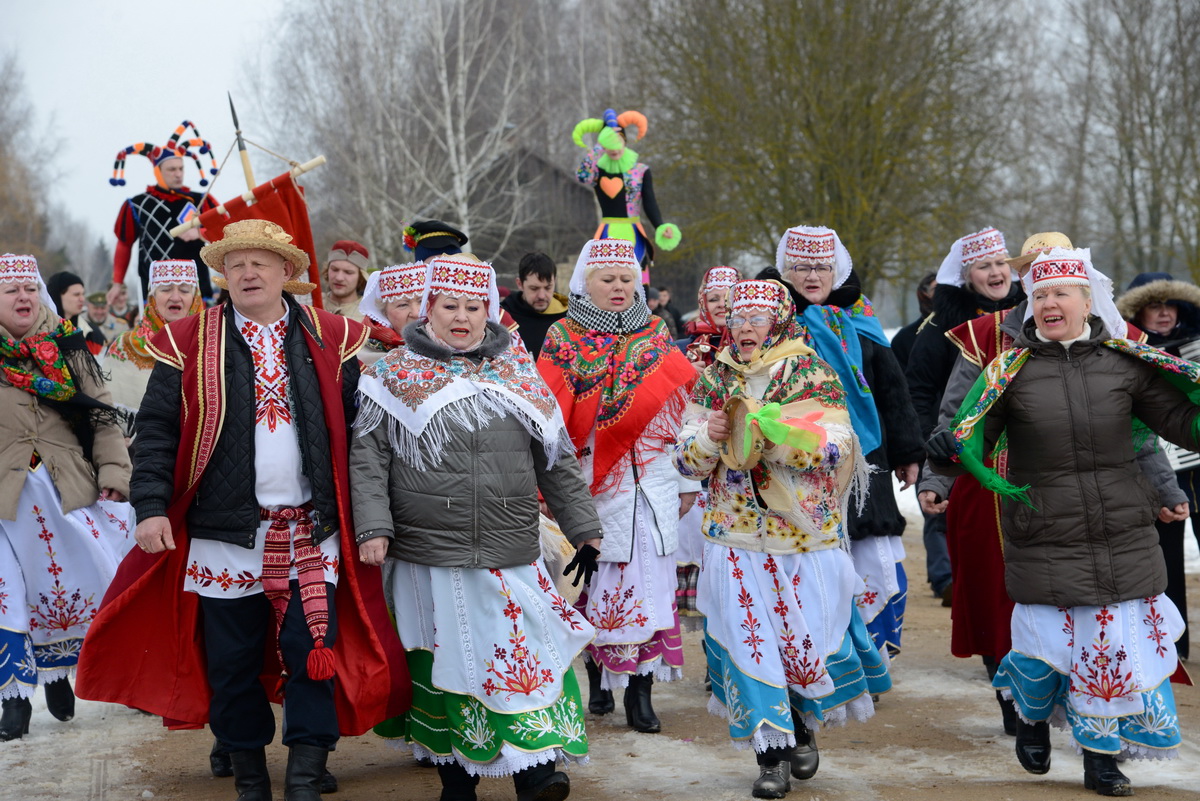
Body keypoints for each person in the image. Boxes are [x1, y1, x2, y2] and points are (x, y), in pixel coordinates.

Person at [75, 220, 408, 801]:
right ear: (223, 276)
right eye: (236, 265)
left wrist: (375, 516)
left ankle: (306, 772)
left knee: (313, 656)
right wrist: (150, 508)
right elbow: (155, 432)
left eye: (261, 262)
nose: (248, 273)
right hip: (224, 535)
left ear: (287, 273)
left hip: (312, 528)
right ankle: (249, 774)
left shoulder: (333, 336)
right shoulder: (187, 340)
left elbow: (364, 437)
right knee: (232, 664)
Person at [928, 247, 1200, 797]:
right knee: (1047, 649)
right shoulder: (1008, 370)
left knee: (1109, 651)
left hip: (1120, 529)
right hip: (1044, 529)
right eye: (1040, 295)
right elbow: (970, 433)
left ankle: (1101, 759)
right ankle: (1030, 716)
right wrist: (944, 456)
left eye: (1061, 293)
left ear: (1086, 301)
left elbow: (1178, 422)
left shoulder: (1125, 362)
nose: (1049, 303)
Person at [352, 254, 602, 801]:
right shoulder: (391, 375)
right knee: (449, 662)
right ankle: (456, 780)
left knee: (520, 649)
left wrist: (585, 527)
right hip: (427, 552)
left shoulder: (517, 368)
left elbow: (555, 461)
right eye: (450, 306)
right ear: (428, 309)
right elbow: (367, 461)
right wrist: (373, 528)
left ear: (489, 309)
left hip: (509, 544)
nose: (462, 316)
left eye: (473, 305)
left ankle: (535, 771)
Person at [675, 278, 889, 796]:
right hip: (735, 538)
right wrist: (709, 437)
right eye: (738, 318)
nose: (744, 327)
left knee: (805, 640)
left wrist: (779, 439)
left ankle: (803, 728)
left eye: (756, 318)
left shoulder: (812, 373)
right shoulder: (713, 379)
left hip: (803, 539)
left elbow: (839, 447)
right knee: (752, 642)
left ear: (780, 322)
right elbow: (685, 459)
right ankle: (770, 754)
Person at [539, 238, 698, 733]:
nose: (618, 287)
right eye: (607, 279)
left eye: (627, 279)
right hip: (591, 484)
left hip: (652, 482)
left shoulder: (655, 333)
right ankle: (598, 680)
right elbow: (547, 416)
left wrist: (685, 476)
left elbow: (679, 412)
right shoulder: (562, 337)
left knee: (650, 591)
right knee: (595, 586)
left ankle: (639, 693)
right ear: (584, 283)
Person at [761, 226, 923, 659]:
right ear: (784, 270)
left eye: (821, 267)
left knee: (871, 561)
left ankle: (871, 657)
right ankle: (817, 655)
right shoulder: (768, 321)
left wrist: (908, 452)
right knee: (811, 562)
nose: (812, 276)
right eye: (800, 267)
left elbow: (892, 391)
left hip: (865, 461)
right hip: (795, 462)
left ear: (838, 270)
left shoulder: (860, 318)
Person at [0, 253, 133, 741]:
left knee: (72, 583)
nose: (22, 298)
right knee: (7, 595)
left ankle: (61, 673)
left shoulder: (69, 346)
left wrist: (116, 471)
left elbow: (102, 413)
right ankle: (13, 694)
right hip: (3, 493)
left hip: (64, 488)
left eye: (29, 289)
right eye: (10, 290)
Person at [906, 229, 1023, 607]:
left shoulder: (1032, 313)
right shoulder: (940, 327)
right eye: (983, 266)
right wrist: (933, 446)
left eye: (1001, 263)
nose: (995, 272)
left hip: (1022, 449)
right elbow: (921, 392)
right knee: (975, 549)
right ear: (966, 276)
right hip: (961, 447)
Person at [1117, 271, 1200, 660]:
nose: (1164, 314)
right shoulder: (1128, 350)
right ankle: (1172, 644)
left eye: (1170, 305)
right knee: (1164, 558)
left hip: (1198, 463)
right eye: (1154, 306)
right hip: (1152, 465)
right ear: (1139, 311)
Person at [676, 266, 740, 637]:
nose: (720, 305)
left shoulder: (752, 349)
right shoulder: (686, 349)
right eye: (713, 298)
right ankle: (712, 651)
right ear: (702, 302)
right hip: (696, 464)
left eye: (728, 298)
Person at [110, 121, 221, 300]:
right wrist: (117, 283)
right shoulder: (137, 204)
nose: (178, 174)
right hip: (154, 294)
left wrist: (201, 234)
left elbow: (225, 234)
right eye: (171, 169)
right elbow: (124, 244)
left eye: (181, 168)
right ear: (158, 171)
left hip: (196, 292)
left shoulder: (201, 201)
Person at [572, 109, 680, 282]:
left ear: (625, 141)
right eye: (609, 142)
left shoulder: (640, 171)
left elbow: (650, 202)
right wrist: (601, 144)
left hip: (634, 233)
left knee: (638, 278)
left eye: (618, 140)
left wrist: (660, 225)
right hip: (607, 233)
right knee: (606, 278)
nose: (614, 147)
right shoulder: (597, 171)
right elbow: (581, 175)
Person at [103, 259, 205, 434]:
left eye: (184, 290)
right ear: (152, 297)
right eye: (165, 289)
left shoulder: (212, 345)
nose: (175, 297)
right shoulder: (124, 346)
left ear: (195, 297)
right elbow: (105, 412)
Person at [500, 251, 568, 359]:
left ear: (555, 282)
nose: (541, 296)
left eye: (548, 287)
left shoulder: (569, 317)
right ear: (520, 284)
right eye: (534, 288)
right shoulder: (504, 317)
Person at [357, 261, 426, 365]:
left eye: (421, 301)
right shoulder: (364, 357)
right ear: (384, 313)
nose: (416, 313)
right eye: (403, 305)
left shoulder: (452, 344)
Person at [890, 272, 936, 371]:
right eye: (936, 289)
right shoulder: (903, 338)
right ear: (924, 294)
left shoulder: (962, 330)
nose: (942, 293)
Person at [323, 240, 369, 321]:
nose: (339, 278)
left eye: (348, 272)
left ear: (360, 277)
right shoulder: (312, 303)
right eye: (335, 269)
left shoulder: (370, 314)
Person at [78, 291, 128, 356]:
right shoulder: (78, 322)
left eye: (103, 308)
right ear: (88, 307)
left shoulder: (120, 326)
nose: (99, 312)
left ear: (108, 307)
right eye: (95, 308)